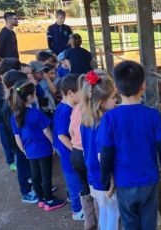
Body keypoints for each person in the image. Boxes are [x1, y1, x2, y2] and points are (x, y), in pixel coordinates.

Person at [98, 61, 161, 230]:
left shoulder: (109, 118)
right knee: (149, 222)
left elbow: (106, 153)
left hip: (124, 181)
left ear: (116, 89)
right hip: (148, 180)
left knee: (129, 222)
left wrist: (105, 182)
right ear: (143, 86)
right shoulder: (153, 116)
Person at [10, 79, 66, 211]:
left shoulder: (15, 115)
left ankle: (40, 198)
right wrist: (53, 144)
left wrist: (23, 150)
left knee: (35, 175)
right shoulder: (36, 113)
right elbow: (46, 130)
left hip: (29, 150)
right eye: (35, 93)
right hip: (43, 148)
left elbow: (17, 136)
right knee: (46, 175)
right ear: (30, 97)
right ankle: (50, 200)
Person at [80, 70, 120, 230]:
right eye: (113, 97)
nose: (116, 100)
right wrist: (110, 180)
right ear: (102, 102)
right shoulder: (105, 123)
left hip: (93, 176)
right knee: (113, 214)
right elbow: (101, 155)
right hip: (104, 178)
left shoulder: (86, 120)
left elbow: (85, 149)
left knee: (103, 212)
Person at [2, 70, 37, 203]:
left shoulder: (17, 101)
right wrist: (19, 146)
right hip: (18, 144)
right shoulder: (8, 106)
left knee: (30, 166)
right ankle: (26, 192)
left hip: (25, 142)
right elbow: (11, 130)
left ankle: (37, 186)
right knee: (23, 168)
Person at [53, 74, 84, 220]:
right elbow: (61, 135)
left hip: (70, 154)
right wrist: (76, 150)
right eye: (82, 91)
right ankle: (77, 211)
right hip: (69, 156)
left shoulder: (68, 107)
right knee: (74, 183)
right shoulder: (65, 111)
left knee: (76, 182)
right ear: (71, 93)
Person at [69, 74, 98, 229]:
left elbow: (70, 131)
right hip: (89, 154)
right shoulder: (95, 109)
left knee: (84, 188)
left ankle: (89, 222)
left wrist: (76, 145)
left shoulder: (77, 107)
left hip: (76, 153)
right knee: (96, 187)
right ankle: (101, 220)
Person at [0, 63, 16, 171]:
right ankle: (11, 161)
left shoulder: (5, 85)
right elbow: (0, 103)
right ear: (1, 75)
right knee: (6, 140)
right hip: (2, 119)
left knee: (12, 137)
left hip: (7, 117)